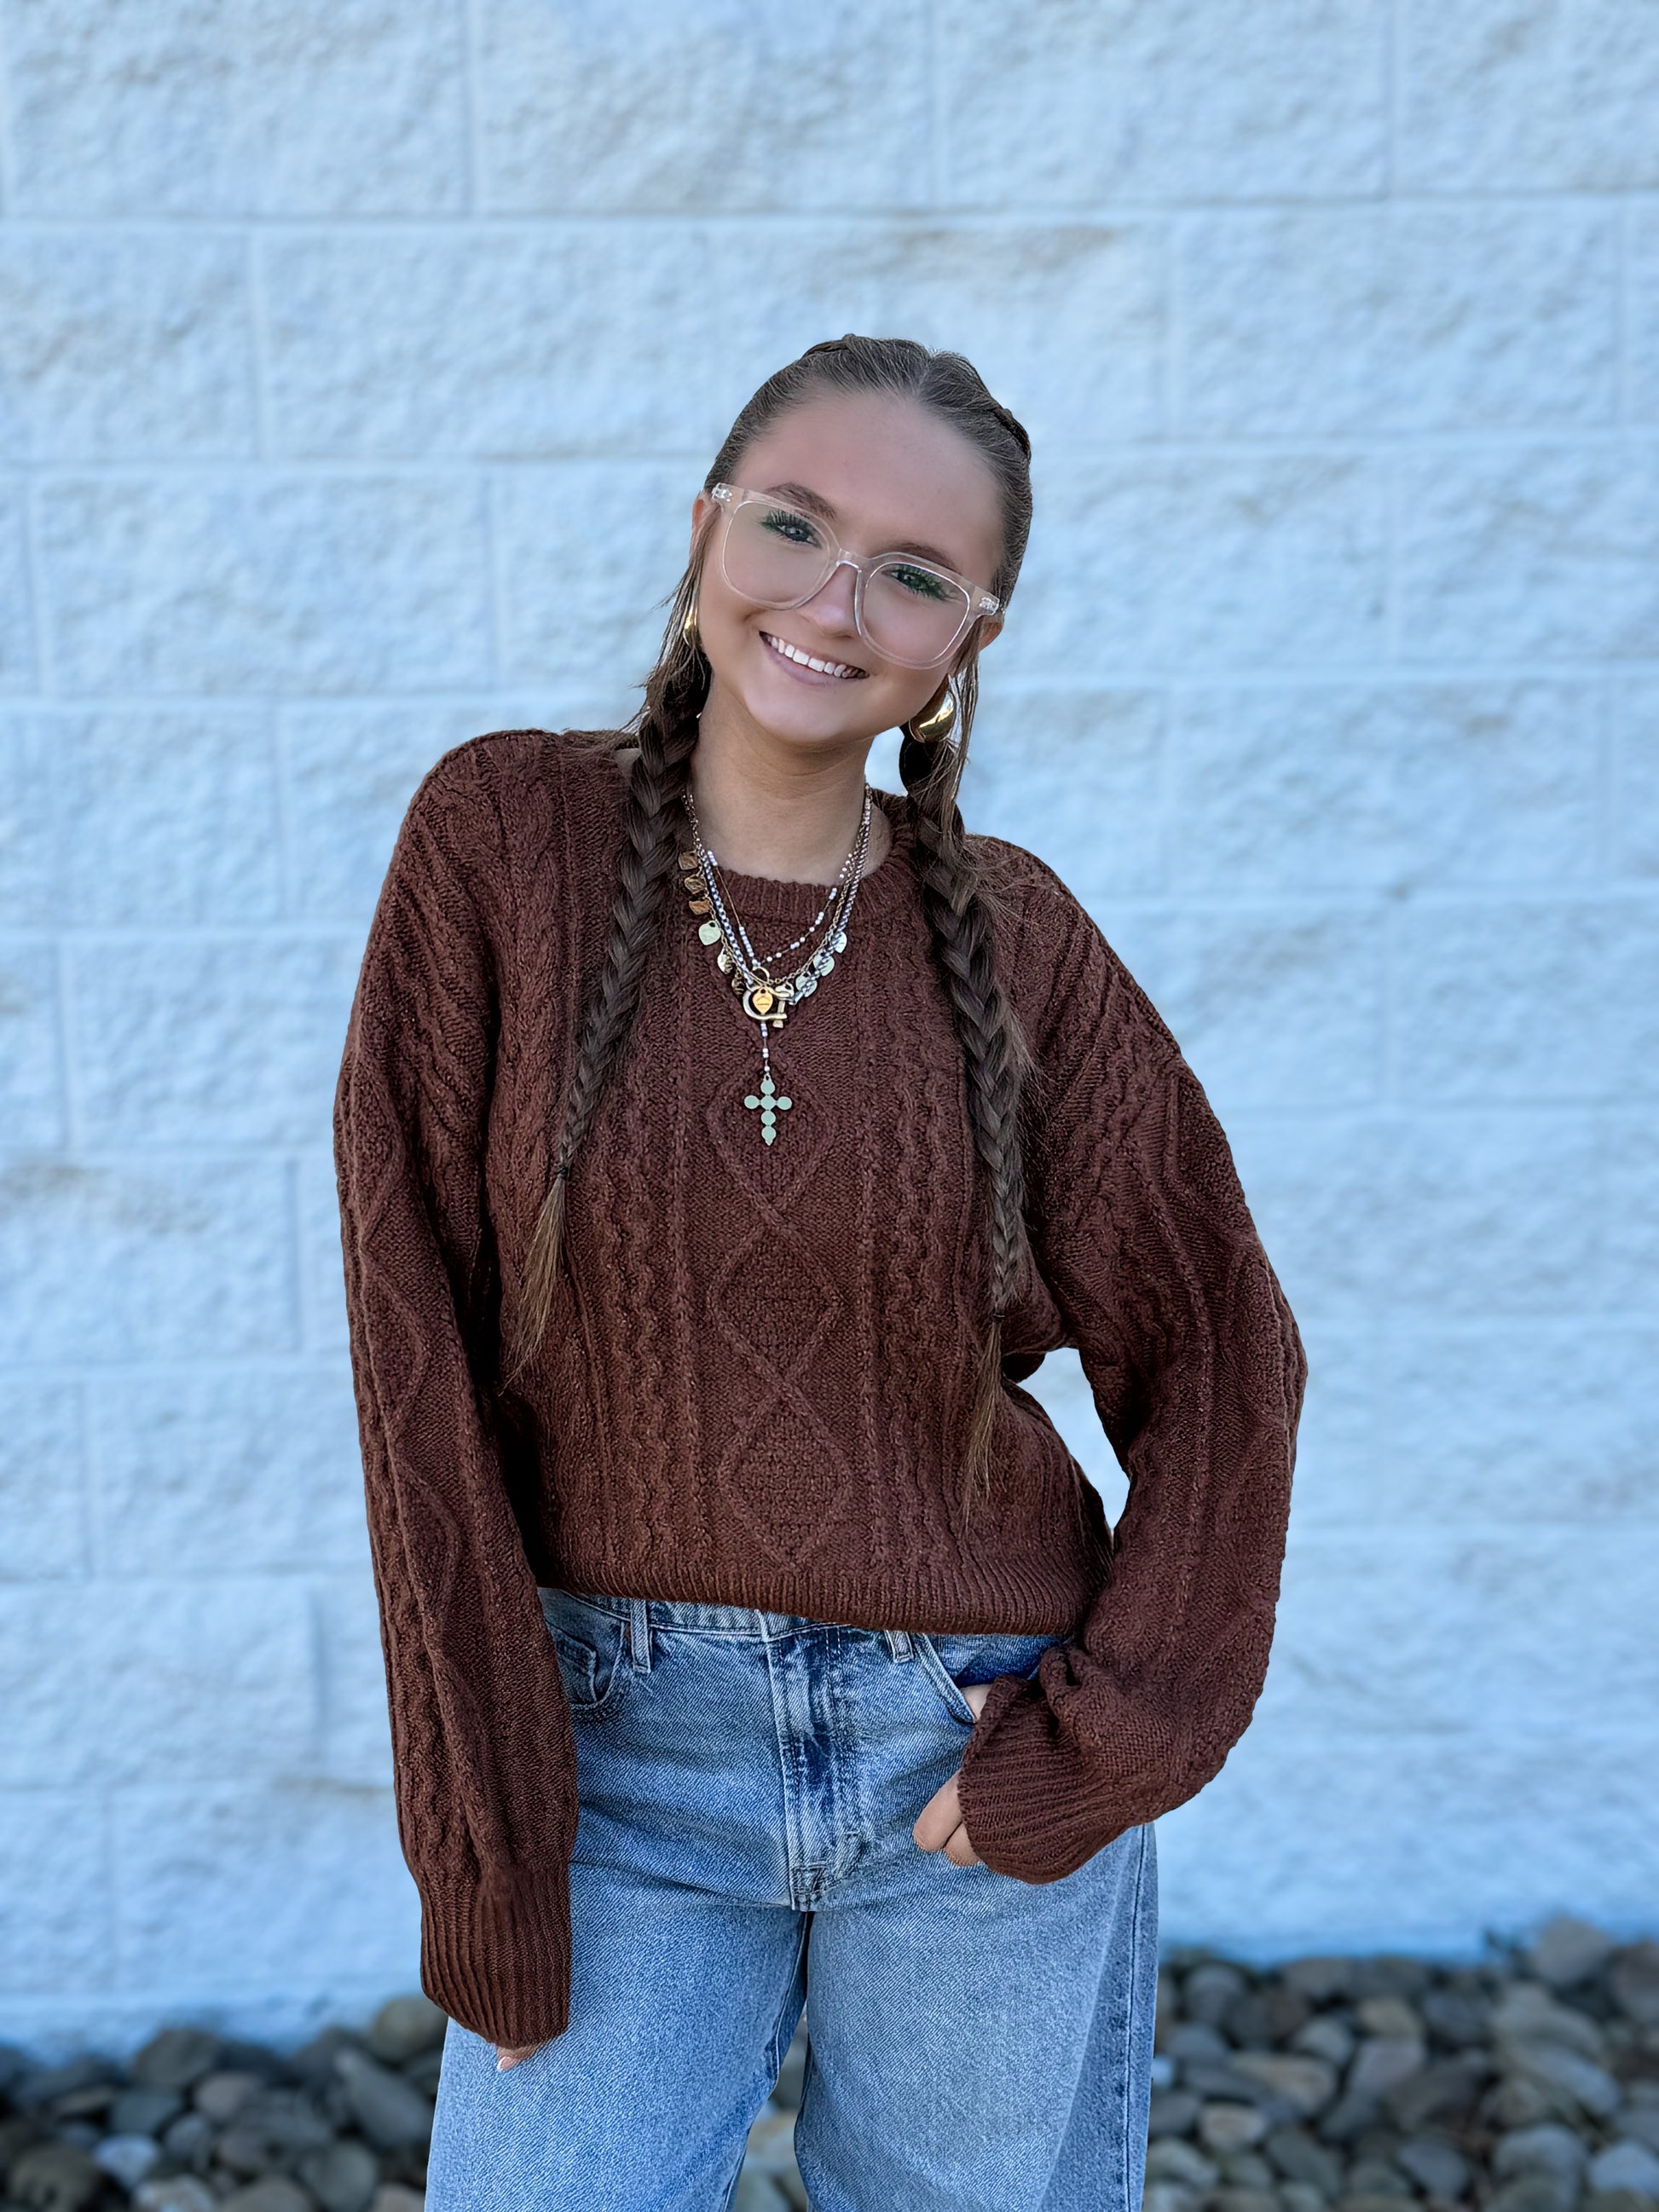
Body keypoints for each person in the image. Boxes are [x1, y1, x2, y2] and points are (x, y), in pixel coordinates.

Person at [332, 332, 1308, 2212]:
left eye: (914, 572)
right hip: (610, 1760)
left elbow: (1224, 1355)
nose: (834, 599)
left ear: (969, 638)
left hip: (962, 1756)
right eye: (794, 522)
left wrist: (1104, 1735)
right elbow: (412, 1351)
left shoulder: (1020, 946)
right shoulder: (498, 845)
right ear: (709, 528)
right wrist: (484, 1841)